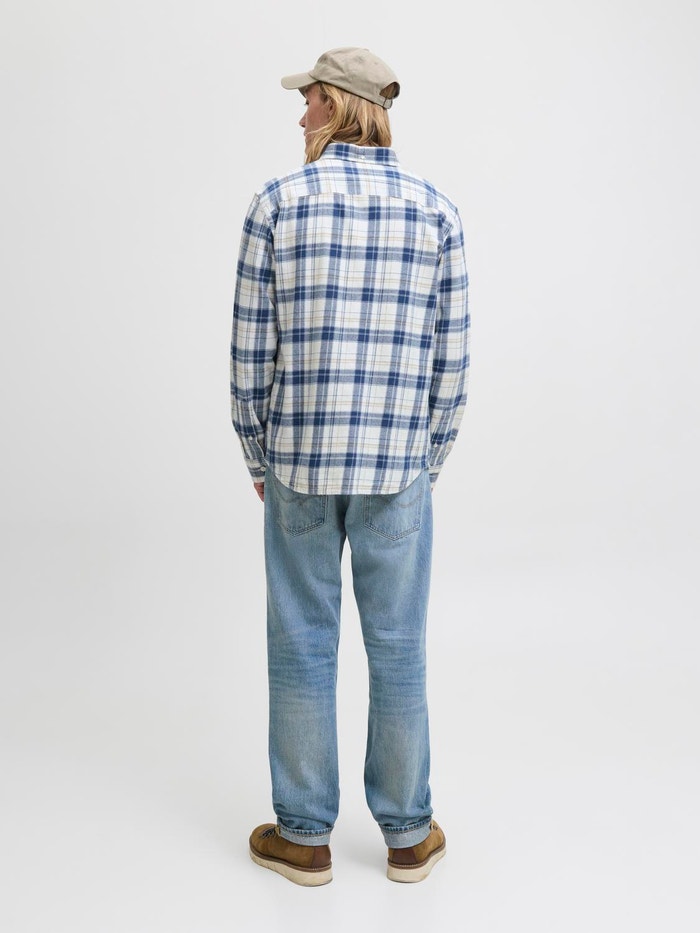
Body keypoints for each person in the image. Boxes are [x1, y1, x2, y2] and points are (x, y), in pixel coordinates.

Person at [230, 47, 470, 886]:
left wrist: (257, 450)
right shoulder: (436, 211)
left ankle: (304, 837)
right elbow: (451, 360)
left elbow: (250, 353)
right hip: (397, 466)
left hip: (298, 462)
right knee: (398, 645)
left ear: (336, 106)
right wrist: (425, 459)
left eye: (309, 100)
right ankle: (408, 835)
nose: (300, 114)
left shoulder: (276, 204)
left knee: (301, 642)